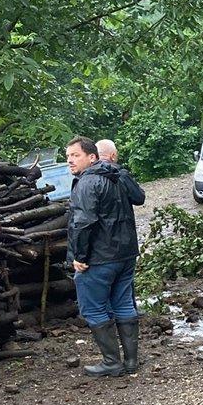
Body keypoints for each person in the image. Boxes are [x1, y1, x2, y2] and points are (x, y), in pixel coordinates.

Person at [66, 136, 142, 378]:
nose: (70, 161)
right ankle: (131, 361)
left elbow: (83, 222)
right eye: (67, 156)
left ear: (92, 157)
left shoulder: (87, 183)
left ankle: (111, 362)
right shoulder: (118, 176)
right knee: (123, 303)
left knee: (94, 309)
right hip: (126, 254)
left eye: (75, 155)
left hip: (99, 258)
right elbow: (139, 198)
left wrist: (78, 255)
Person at [95, 139, 147, 211]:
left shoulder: (87, 176)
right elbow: (139, 198)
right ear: (112, 155)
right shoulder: (121, 175)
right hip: (121, 221)